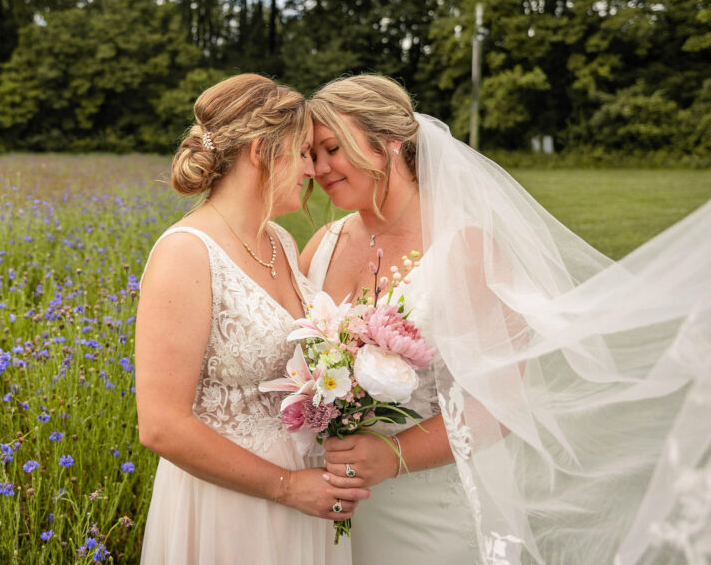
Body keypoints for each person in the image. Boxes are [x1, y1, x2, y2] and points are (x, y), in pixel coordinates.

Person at [300, 74, 711, 564]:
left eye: (332, 149)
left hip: (427, 509)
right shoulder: (320, 247)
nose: (319, 168)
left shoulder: (466, 249)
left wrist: (395, 456)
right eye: (312, 155)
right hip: (324, 503)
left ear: (388, 144)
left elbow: (504, 403)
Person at [135, 74, 365, 565]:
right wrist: (285, 487)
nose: (313, 169)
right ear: (262, 150)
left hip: (306, 493)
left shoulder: (279, 241)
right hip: (231, 503)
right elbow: (161, 426)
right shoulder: (186, 253)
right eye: (303, 152)